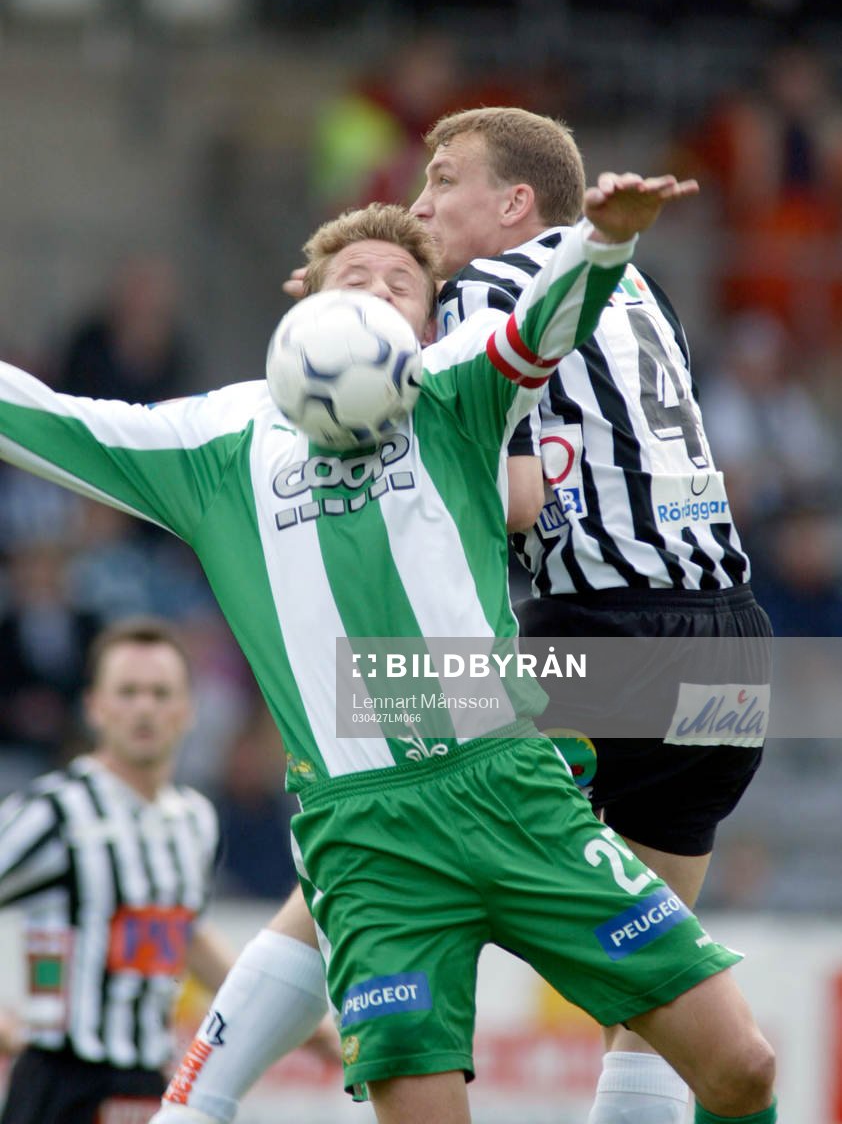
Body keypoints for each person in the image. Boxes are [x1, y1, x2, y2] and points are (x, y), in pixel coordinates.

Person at [0, 191, 776, 1124]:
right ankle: (196, 1105)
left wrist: (607, 240)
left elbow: (544, 321)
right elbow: (44, 418)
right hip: (370, 843)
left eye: (401, 284)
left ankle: (195, 1105)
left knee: (742, 1069)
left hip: (514, 792)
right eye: (351, 280)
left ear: (431, 319)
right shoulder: (215, 441)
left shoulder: (457, 391)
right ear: (306, 309)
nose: (374, 294)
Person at [408, 106, 774, 1124]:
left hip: (609, 639)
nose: (419, 203)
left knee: (370, 783)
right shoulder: (642, 291)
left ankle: (202, 1091)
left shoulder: (481, 288)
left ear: (514, 203)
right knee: (654, 1001)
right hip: (731, 651)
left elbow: (518, 495)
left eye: (442, 181)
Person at [0, 616, 233, 1124]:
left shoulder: (196, 820)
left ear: (188, 710)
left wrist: (306, 1025)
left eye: (160, 692)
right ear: (95, 707)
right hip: (60, 1082)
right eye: (127, 692)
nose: (144, 708)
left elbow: (184, 928)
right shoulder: (56, 811)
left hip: (151, 1080)